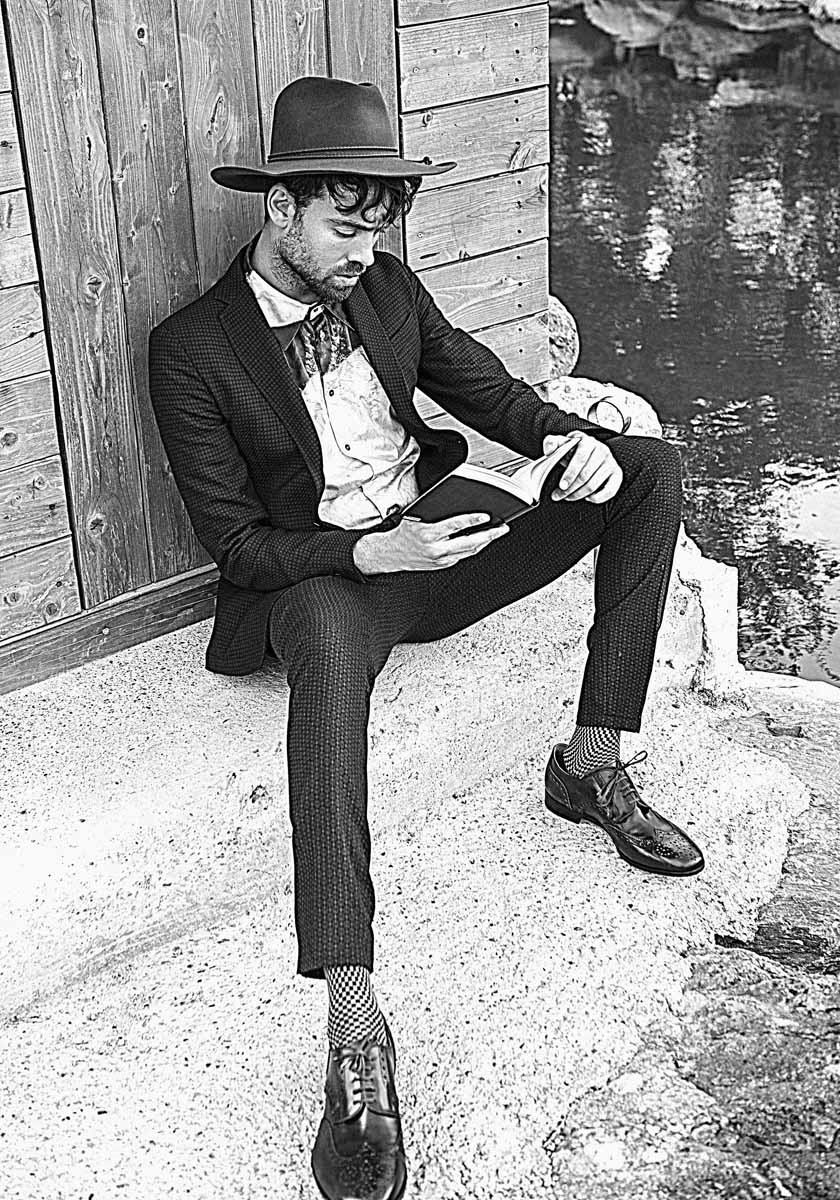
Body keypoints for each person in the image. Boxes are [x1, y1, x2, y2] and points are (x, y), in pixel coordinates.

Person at [149, 75, 704, 1200]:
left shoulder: (388, 287)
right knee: (319, 628)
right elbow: (240, 547)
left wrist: (564, 442)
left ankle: (591, 762)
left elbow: (489, 394)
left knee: (647, 468)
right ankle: (355, 1029)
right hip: (334, 580)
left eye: (378, 230)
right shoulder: (192, 349)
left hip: (441, 546)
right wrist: (367, 554)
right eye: (343, 229)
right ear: (280, 208)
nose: (364, 253)